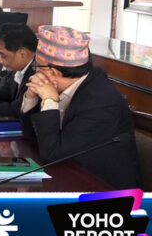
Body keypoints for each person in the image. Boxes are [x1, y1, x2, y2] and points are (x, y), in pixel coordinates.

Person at [21, 26, 141, 189]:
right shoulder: (67, 85)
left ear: (53, 73)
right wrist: (31, 97)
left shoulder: (101, 102)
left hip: (103, 192)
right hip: (67, 176)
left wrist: (49, 101)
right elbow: (30, 138)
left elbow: (53, 154)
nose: (34, 72)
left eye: (37, 66)